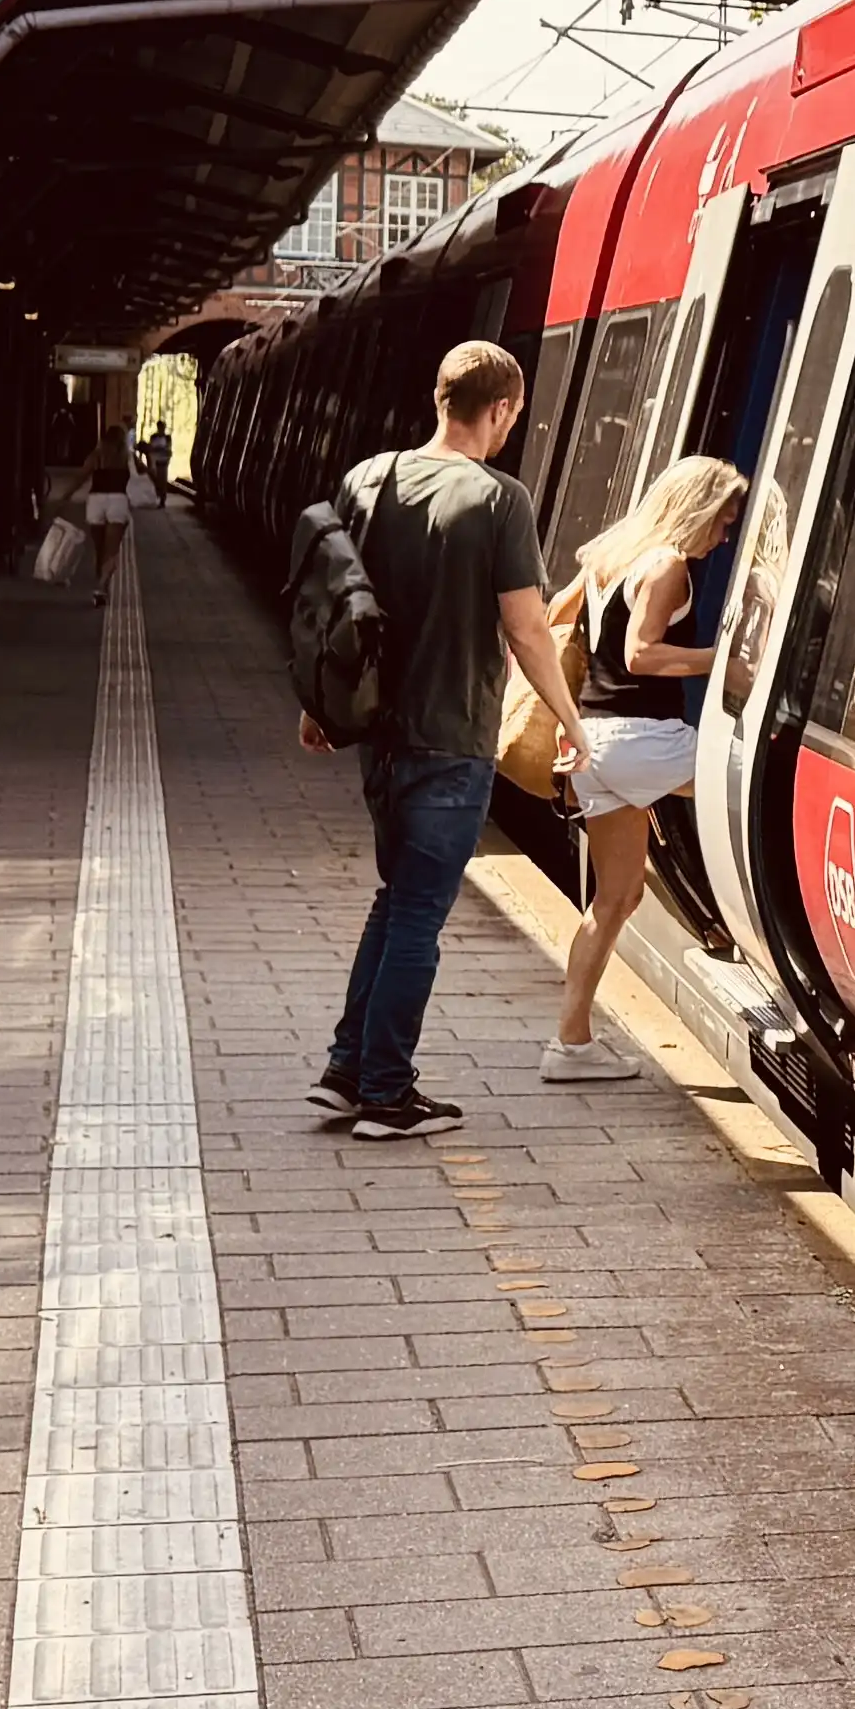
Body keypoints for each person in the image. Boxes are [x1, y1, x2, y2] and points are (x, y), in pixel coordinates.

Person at [302, 338, 581, 1143]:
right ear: (498, 411)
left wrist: (316, 705)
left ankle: (347, 1070)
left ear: (437, 396)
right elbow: (528, 631)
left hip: (378, 736)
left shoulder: (367, 479)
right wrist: (571, 720)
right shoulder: (500, 500)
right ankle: (387, 1093)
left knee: (396, 900)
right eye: (511, 419)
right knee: (420, 913)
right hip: (453, 737)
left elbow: (333, 608)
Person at [542, 453, 742, 1086]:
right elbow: (640, 655)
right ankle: (762, 952)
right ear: (697, 508)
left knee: (617, 897)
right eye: (724, 518)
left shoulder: (609, 554)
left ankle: (569, 1047)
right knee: (764, 795)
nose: (726, 533)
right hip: (644, 740)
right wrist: (725, 660)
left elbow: (554, 618)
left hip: (594, 746)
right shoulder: (669, 568)